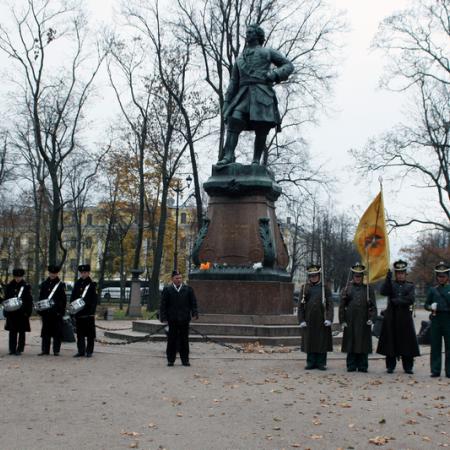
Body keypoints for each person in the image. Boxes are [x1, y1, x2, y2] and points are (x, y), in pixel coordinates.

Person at [218, 24, 294, 166]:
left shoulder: (268, 52)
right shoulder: (240, 59)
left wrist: (275, 74)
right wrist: (227, 102)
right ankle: (228, 156)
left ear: (258, 35)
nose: (247, 34)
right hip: (243, 95)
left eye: (250, 32)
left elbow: (288, 65)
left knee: (261, 127)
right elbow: (234, 81)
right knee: (235, 119)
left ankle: (255, 161)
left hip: (261, 94)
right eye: (246, 32)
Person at [376, 260, 420, 374]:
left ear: (405, 274)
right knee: (390, 341)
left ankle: (408, 366)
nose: (400, 275)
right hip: (391, 317)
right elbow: (383, 292)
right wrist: (387, 279)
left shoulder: (410, 286)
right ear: (396, 274)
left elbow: (410, 299)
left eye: (402, 273)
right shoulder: (391, 284)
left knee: (407, 343)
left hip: (405, 317)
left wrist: (397, 301)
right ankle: (390, 366)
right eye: (398, 273)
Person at [339, 263, 377, 372]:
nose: (358, 278)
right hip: (350, 320)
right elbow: (342, 306)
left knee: (363, 343)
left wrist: (372, 318)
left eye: (360, 276)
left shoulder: (368, 289)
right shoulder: (347, 289)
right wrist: (342, 320)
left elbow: (373, 306)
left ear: (362, 277)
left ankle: (363, 365)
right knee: (351, 342)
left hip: (364, 320)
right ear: (353, 277)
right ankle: (351, 365)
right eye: (356, 276)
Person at [297, 264, 333, 370]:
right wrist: (301, 320)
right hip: (309, 319)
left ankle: (321, 363)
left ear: (319, 275)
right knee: (310, 341)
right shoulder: (305, 288)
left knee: (322, 341)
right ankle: (311, 362)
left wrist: (329, 318)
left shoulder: (324, 288)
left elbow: (330, 305)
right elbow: (300, 306)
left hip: (322, 318)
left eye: (315, 275)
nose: (313, 277)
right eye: (311, 276)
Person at [160, 270, 199, 367]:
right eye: (177, 278)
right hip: (172, 319)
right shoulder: (167, 289)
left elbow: (193, 303)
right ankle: (170, 360)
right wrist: (163, 317)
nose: (179, 280)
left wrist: (194, 313)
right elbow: (163, 305)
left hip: (184, 318)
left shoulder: (188, 289)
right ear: (172, 279)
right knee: (171, 340)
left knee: (184, 340)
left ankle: (185, 360)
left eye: (180, 278)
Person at [424, 262, 450, 378]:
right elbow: (426, 304)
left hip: (448, 319)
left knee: (449, 346)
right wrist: (430, 307)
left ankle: (449, 371)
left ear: (447, 277)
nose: (441, 278)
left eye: (443, 276)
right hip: (436, 319)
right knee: (435, 345)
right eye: (439, 276)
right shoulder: (433, 290)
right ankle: (435, 370)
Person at [37, 265, 67, 356]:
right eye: (51, 273)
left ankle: (56, 350)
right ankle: (45, 350)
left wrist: (60, 311)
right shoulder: (44, 284)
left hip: (56, 313)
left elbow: (63, 300)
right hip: (46, 312)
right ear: (49, 273)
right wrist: (40, 310)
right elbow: (41, 297)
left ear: (57, 273)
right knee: (45, 332)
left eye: (54, 273)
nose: (52, 275)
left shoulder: (61, 285)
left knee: (57, 333)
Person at [3, 268, 33, 355]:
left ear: (22, 276)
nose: (18, 278)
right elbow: (6, 298)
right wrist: (6, 310)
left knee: (21, 331)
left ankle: (19, 349)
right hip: (12, 312)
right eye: (16, 277)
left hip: (22, 313)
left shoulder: (26, 286)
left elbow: (29, 300)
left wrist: (28, 312)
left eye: (19, 277)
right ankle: (12, 349)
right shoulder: (9, 286)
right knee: (12, 331)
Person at [70, 264, 98, 358]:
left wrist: (92, 312)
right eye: (82, 273)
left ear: (88, 273)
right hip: (79, 312)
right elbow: (73, 297)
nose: (83, 274)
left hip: (88, 312)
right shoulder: (77, 283)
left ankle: (89, 351)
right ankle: (81, 351)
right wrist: (72, 309)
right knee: (80, 334)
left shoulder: (92, 284)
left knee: (90, 334)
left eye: (85, 272)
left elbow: (94, 299)